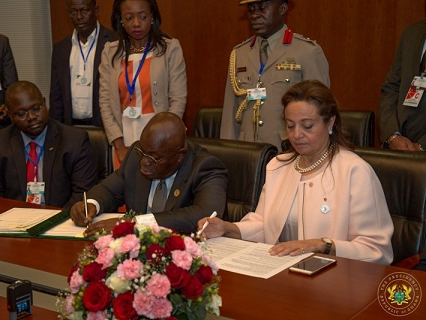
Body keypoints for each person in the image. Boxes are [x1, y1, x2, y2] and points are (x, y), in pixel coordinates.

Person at [201, 80, 394, 265]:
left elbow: (377, 250)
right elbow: (264, 224)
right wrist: (228, 228)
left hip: (334, 280)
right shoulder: (279, 165)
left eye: (307, 126)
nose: (296, 134)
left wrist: (322, 245)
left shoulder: (354, 171)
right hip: (281, 272)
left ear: (330, 123)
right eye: (290, 125)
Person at [70, 112, 227, 235]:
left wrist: (135, 224)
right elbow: (109, 190)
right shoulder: (136, 155)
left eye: (153, 158)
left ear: (179, 156)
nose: (144, 161)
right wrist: (91, 204)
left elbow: (205, 215)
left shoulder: (206, 167)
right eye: (142, 152)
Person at [220, 0, 329, 150]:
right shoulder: (239, 54)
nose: (255, 15)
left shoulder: (307, 52)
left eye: (262, 8)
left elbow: (321, 112)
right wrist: (228, 153)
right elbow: (230, 117)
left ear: (283, 8)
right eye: (251, 10)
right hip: (246, 152)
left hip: (288, 150)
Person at [0, 81, 97, 208]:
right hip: (14, 221)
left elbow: (82, 195)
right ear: (10, 116)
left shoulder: (74, 140)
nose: (31, 117)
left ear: (45, 103)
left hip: (61, 219)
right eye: (21, 114)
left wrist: (53, 222)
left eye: (36, 108)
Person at [99, 0, 187, 167]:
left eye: (143, 17)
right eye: (129, 18)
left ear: (152, 17)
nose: (136, 23)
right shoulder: (110, 52)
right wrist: (118, 146)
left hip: (161, 143)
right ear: (121, 20)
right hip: (123, 143)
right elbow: (105, 103)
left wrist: (165, 140)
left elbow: (178, 100)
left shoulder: (170, 49)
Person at [49, 0, 116, 126]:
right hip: (71, 128)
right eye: (73, 11)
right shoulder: (60, 49)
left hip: (104, 128)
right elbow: (56, 97)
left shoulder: (114, 43)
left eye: (84, 10)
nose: (79, 17)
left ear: (96, 10)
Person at [379, 19, 426, 151]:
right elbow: (391, 88)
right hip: (399, 149)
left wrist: (422, 145)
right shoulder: (411, 34)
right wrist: (393, 135)